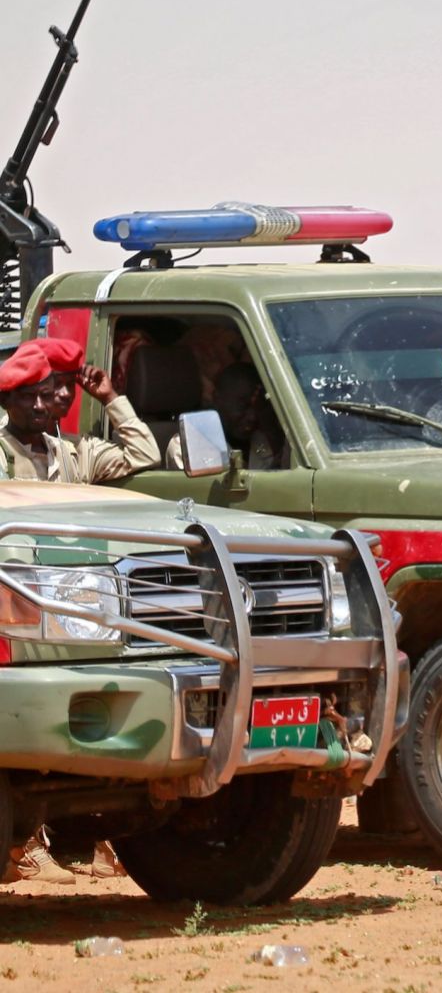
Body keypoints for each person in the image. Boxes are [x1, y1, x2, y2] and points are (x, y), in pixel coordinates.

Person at [0, 337, 159, 886]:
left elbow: (144, 455)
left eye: (52, 396)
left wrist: (112, 397)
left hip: (80, 608)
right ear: (9, 403)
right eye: (29, 397)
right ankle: (23, 846)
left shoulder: (76, 454)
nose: (42, 406)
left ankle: (82, 839)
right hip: (17, 606)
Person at [0, 337, 160, 483]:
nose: (66, 394)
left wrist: (109, 398)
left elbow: (146, 454)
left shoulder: (72, 450)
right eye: (56, 384)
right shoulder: (5, 449)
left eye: (70, 384)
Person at [165, 362, 285, 470]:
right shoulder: (191, 444)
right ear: (217, 398)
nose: (252, 417)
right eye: (243, 405)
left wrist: (270, 428)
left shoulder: (261, 439)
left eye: (258, 407)